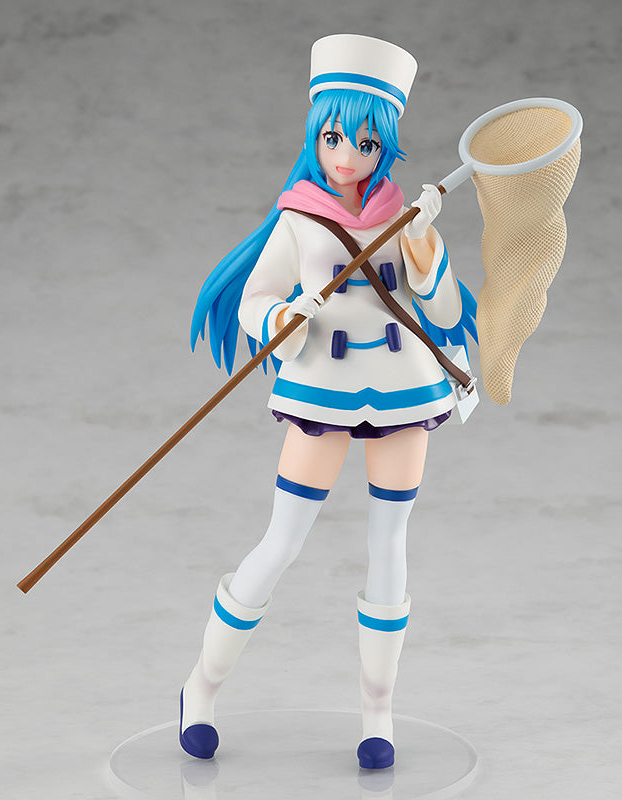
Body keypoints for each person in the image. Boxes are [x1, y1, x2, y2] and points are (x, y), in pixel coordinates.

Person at [181, 33, 476, 771]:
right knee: (282, 541)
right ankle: (201, 687)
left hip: (404, 388)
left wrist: (428, 254)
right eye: (335, 138)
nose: (348, 157)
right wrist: (283, 319)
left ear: (387, 147)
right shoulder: (299, 217)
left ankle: (378, 712)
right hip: (322, 388)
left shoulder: (406, 216)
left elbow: (444, 315)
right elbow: (254, 299)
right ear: (316, 134)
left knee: (389, 544)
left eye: (367, 143)